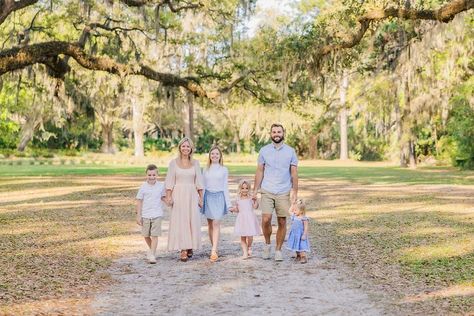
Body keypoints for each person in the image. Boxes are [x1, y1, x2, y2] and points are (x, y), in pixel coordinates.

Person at [253, 123, 298, 261]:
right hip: (267, 190)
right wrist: (255, 190)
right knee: (265, 219)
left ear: (283, 133)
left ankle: (278, 250)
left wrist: (294, 190)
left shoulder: (290, 151)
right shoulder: (264, 151)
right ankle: (267, 245)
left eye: (279, 132)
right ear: (270, 134)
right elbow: (260, 171)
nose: (276, 134)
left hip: (283, 191)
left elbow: (294, 173)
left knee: (282, 221)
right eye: (274, 132)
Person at [164, 137, 204, 262]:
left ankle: (190, 245)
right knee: (181, 221)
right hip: (178, 194)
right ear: (180, 148)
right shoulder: (173, 163)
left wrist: (201, 198)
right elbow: (170, 181)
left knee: (192, 220)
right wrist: (169, 196)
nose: (185, 148)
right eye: (183, 146)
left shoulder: (196, 163)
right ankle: (183, 249)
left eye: (188, 146)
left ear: (191, 148)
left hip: (192, 194)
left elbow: (199, 181)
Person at [201, 146, 231, 262]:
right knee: (210, 224)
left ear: (220, 156)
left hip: (219, 197)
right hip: (208, 197)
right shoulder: (205, 169)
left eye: (217, 154)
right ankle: (214, 246)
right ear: (209, 156)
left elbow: (225, 187)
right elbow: (203, 186)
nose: (214, 156)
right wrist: (201, 200)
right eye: (212, 154)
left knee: (216, 222)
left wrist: (228, 204)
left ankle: (213, 250)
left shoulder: (224, 170)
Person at [135, 164, 166, 264]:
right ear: (146, 175)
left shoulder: (161, 186)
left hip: (157, 214)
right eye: (149, 175)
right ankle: (152, 250)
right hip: (145, 214)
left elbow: (163, 197)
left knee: (155, 235)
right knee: (146, 235)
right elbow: (139, 200)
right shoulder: (143, 186)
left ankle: (152, 254)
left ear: (157, 175)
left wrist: (170, 202)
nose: (152, 177)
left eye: (154, 175)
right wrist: (138, 215)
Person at [232, 179, 261, 259]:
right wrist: (233, 209)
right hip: (242, 219)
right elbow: (238, 209)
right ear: (240, 189)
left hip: (250, 219)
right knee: (243, 236)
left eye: (246, 188)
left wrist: (256, 201)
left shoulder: (250, 198)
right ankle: (245, 252)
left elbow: (255, 207)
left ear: (249, 189)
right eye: (243, 188)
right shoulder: (238, 198)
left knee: (250, 236)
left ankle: (249, 247)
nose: (244, 190)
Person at [286, 199, 310, 264]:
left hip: (301, 234)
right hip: (295, 234)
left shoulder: (304, 218)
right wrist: (292, 205)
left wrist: (304, 234)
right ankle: (298, 255)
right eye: (294, 209)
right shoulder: (294, 216)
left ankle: (303, 257)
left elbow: (306, 227)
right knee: (296, 245)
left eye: (295, 210)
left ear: (301, 211)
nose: (294, 211)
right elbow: (289, 211)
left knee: (302, 246)